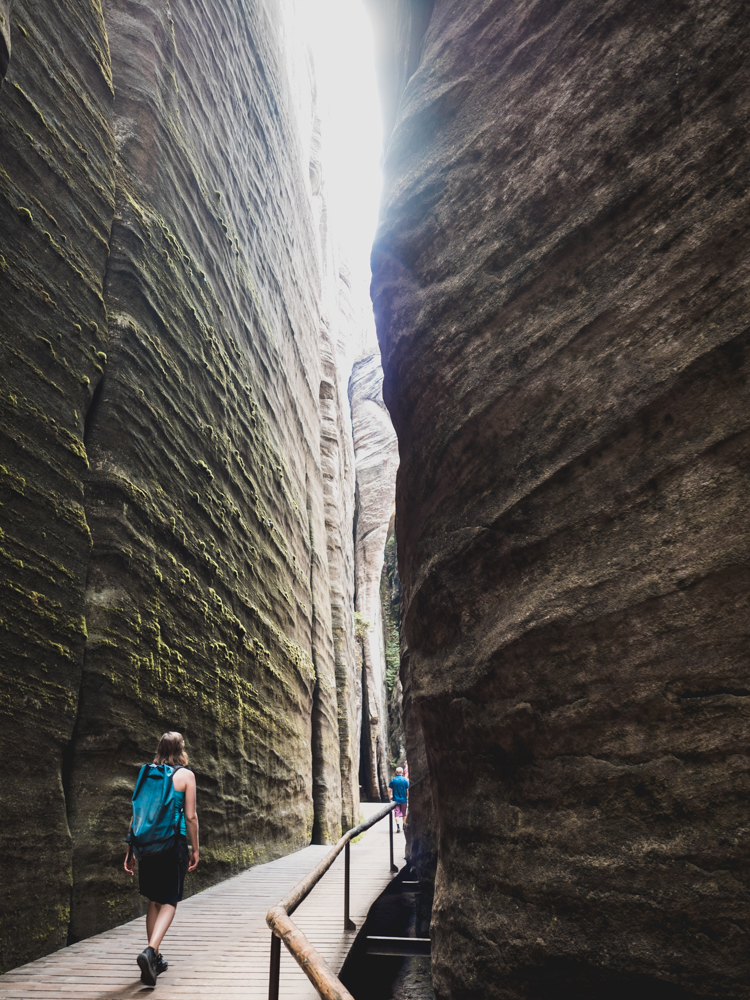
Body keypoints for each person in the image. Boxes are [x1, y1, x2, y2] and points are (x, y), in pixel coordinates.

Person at [124, 732, 199, 986]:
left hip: (146, 846)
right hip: (172, 844)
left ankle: (153, 960)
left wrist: (130, 850)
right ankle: (151, 950)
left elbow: (137, 814)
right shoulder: (186, 776)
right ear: (181, 749)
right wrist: (195, 848)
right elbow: (190, 817)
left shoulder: (146, 773)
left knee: (154, 899)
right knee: (170, 900)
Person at [388, 765, 409, 833]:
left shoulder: (393, 780)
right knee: (404, 813)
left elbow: (389, 789)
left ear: (396, 772)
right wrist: (408, 796)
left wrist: (390, 796)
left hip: (395, 800)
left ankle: (398, 827)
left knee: (396, 814)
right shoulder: (405, 780)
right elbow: (408, 789)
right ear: (402, 772)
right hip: (403, 799)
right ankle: (404, 825)